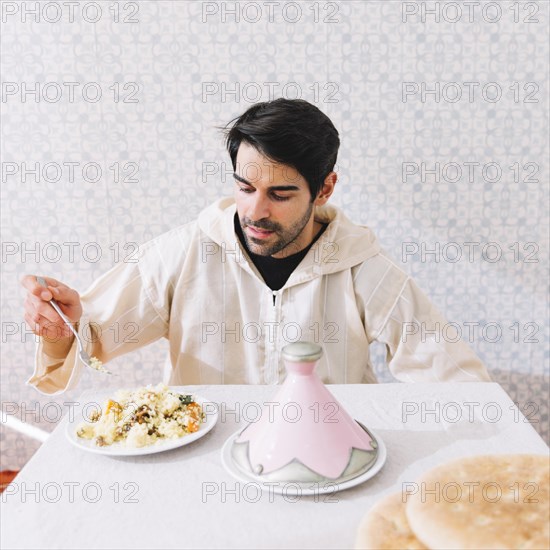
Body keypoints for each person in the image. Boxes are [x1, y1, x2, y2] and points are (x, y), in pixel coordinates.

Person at [21, 98, 491, 395]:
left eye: (280, 195)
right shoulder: (183, 252)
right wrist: (64, 324)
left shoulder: (364, 267)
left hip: (327, 459)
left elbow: (456, 384)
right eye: (245, 187)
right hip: (204, 460)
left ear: (324, 189)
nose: (255, 211)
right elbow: (93, 336)